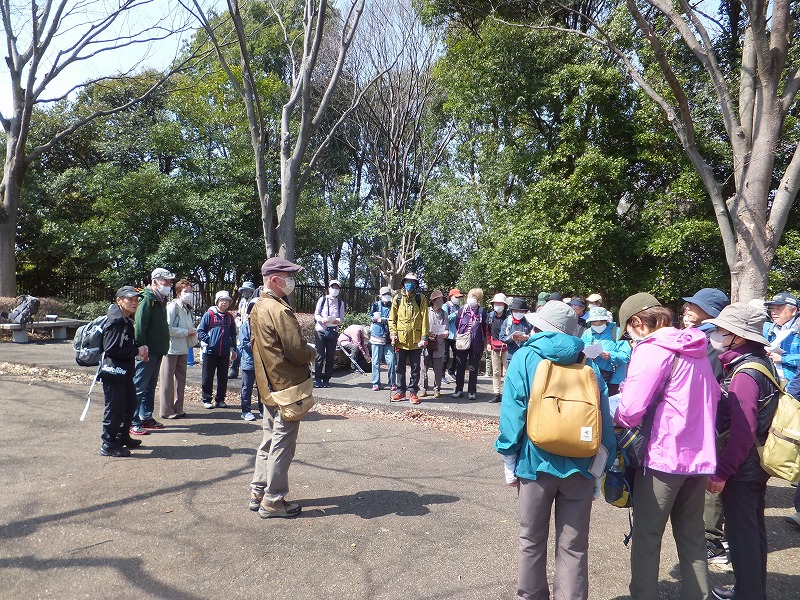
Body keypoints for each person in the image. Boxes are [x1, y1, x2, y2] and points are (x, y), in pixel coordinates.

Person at [495, 300, 616, 600]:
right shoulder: (587, 363)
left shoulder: (524, 357)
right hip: (581, 467)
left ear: (541, 327)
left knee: (531, 539)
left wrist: (509, 458)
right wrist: (600, 468)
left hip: (534, 464)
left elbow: (513, 414)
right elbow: (603, 420)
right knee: (574, 546)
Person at [615, 292, 721, 600]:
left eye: (628, 331)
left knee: (647, 537)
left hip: (662, 456)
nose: (630, 339)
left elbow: (630, 410)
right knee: (692, 537)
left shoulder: (652, 349)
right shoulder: (697, 347)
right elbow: (714, 397)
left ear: (638, 322)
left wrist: (618, 407)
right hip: (699, 457)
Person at [701, 303, 779, 600]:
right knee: (753, 529)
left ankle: (747, 593)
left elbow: (743, 431)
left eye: (723, 329)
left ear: (739, 336)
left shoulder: (744, 374)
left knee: (741, 533)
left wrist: (722, 472)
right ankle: (752, 590)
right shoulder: (760, 362)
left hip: (743, 468)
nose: (717, 333)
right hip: (757, 463)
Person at [248, 257, 317, 518]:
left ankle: (258, 491)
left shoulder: (258, 305)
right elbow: (296, 350)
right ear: (275, 280)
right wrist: (312, 352)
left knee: (269, 438)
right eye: (289, 277)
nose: (292, 282)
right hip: (286, 386)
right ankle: (273, 500)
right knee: (282, 443)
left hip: (268, 384)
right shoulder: (278, 309)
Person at [679, 287, 731, 565]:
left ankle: (713, 541)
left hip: (712, 421)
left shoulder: (711, 340)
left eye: (694, 305)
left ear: (711, 312)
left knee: (712, 479)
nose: (687, 308)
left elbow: (705, 381)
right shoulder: (707, 336)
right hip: (710, 419)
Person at [99, 286, 149, 456]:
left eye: (136, 300)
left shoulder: (126, 320)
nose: (134, 303)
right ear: (119, 301)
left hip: (124, 372)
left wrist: (138, 349)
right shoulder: (115, 321)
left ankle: (122, 437)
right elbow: (111, 349)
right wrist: (137, 351)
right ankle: (108, 445)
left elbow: (124, 345)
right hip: (113, 372)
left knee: (129, 404)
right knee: (115, 408)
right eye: (130, 299)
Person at [130, 267, 174, 436]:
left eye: (170, 282)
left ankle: (146, 417)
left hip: (157, 349)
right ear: (155, 281)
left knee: (149, 386)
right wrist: (141, 347)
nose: (169, 285)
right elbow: (140, 325)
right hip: (147, 350)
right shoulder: (147, 299)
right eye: (166, 282)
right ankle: (133, 421)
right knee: (139, 386)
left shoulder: (159, 299)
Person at [159, 278, 196, 419]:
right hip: (171, 348)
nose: (189, 294)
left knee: (181, 379)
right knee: (167, 380)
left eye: (190, 291)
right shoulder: (172, 307)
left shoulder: (187, 309)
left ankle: (178, 408)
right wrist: (186, 332)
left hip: (183, 348)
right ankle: (166, 410)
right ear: (178, 292)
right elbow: (167, 329)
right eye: (186, 291)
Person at [389, 273, 429, 405]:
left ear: (416, 284)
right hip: (400, 340)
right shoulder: (398, 298)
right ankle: (400, 391)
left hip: (416, 341)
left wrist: (424, 337)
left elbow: (425, 318)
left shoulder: (420, 298)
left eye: (412, 282)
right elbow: (392, 318)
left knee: (415, 369)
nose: (410, 284)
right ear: (403, 283)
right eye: (407, 281)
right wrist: (393, 333)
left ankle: (413, 392)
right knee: (399, 368)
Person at [197, 290, 238, 409]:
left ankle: (220, 400)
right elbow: (201, 331)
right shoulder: (209, 315)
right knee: (207, 377)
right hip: (210, 352)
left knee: (223, 378)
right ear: (217, 301)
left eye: (227, 300)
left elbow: (233, 334)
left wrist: (233, 349)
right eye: (222, 300)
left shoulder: (229, 317)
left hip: (224, 352)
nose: (224, 302)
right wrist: (210, 342)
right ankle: (206, 399)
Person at [580, 306, 630, 396]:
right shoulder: (587, 333)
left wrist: (611, 355)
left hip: (613, 379)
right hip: (591, 376)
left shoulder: (617, 332)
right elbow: (580, 351)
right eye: (594, 322)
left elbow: (626, 355)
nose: (597, 324)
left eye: (600, 322)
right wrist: (586, 355)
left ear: (606, 321)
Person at [452, 288, 488, 400]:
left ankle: (472, 391)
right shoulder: (462, 310)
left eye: (475, 297)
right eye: (471, 296)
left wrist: (485, 343)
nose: (472, 299)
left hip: (476, 343)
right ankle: (458, 389)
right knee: (460, 366)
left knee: (473, 368)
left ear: (479, 299)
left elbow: (485, 328)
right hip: (462, 341)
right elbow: (457, 324)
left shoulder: (482, 312)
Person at [762, 292, 800, 383]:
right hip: (773, 383)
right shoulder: (768, 329)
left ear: (793, 310)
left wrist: (783, 359)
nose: (774, 312)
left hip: (794, 385)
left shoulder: (798, 329)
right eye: (772, 308)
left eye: (778, 308)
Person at [313, 279, 345, 388]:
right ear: (329, 288)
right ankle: (317, 379)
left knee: (330, 357)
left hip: (332, 331)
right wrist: (322, 319)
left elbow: (342, 317)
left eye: (337, 288)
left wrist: (338, 321)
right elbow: (316, 314)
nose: (335, 289)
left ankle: (326, 379)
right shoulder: (322, 300)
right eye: (333, 287)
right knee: (320, 356)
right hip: (321, 330)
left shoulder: (340, 303)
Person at [240, 299, 263, 422]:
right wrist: (259, 346)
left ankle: (263, 409)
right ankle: (246, 411)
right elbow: (245, 343)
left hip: (262, 362)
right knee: (247, 387)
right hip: (249, 361)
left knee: (262, 387)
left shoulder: (264, 324)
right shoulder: (246, 325)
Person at [422, 289, 448, 398]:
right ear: (433, 301)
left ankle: (437, 389)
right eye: (439, 299)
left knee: (438, 369)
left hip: (439, 344)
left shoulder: (444, 314)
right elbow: (421, 326)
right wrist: (427, 334)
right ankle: (423, 388)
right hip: (426, 343)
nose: (441, 302)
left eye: (442, 300)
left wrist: (446, 333)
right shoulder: (426, 312)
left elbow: (446, 328)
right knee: (423, 367)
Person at [228, 281, 256, 379]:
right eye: (243, 290)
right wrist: (238, 320)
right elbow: (239, 314)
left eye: (247, 290)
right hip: (242, 328)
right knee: (239, 348)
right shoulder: (242, 302)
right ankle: (234, 369)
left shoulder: (254, 301)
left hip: (252, 328)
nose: (245, 292)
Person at [369, 287, 395, 391]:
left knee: (391, 361)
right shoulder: (375, 305)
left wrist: (383, 320)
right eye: (384, 294)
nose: (386, 296)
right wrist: (374, 318)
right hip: (377, 336)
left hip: (389, 337)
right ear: (380, 295)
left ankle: (392, 382)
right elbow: (370, 317)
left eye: (388, 294)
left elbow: (395, 319)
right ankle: (375, 383)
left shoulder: (393, 305)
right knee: (375, 361)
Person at [487, 293, 509, 403]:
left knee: (507, 372)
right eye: (496, 303)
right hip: (494, 346)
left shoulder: (509, 317)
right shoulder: (490, 316)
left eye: (501, 303)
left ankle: (507, 393)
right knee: (496, 372)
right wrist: (488, 343)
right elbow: (487, 330)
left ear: (505, 305)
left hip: (507, 346)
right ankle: (497, 393)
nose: (498, 305)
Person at [499, 297, 533, 368]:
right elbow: (502, 337)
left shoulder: (529, 322)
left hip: (526, 356)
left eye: (521, 312)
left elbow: (535, 335)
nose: (518, 313)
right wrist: (511, 339)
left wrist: (528, 337)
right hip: (512, 356)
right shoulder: (507, 321)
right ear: (511, 311)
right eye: (516, 311)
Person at [443, 288, 464, 382]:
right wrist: (456, 313)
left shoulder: (457, 306)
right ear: (451, 297)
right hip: (447, 334)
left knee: (457, 355)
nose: (458, 299)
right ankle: (441, 375)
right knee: (445, 356)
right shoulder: (445, 306)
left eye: (459, 297)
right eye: (456, 297)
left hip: (456, 335)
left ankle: (451, 371)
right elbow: (445, 319)